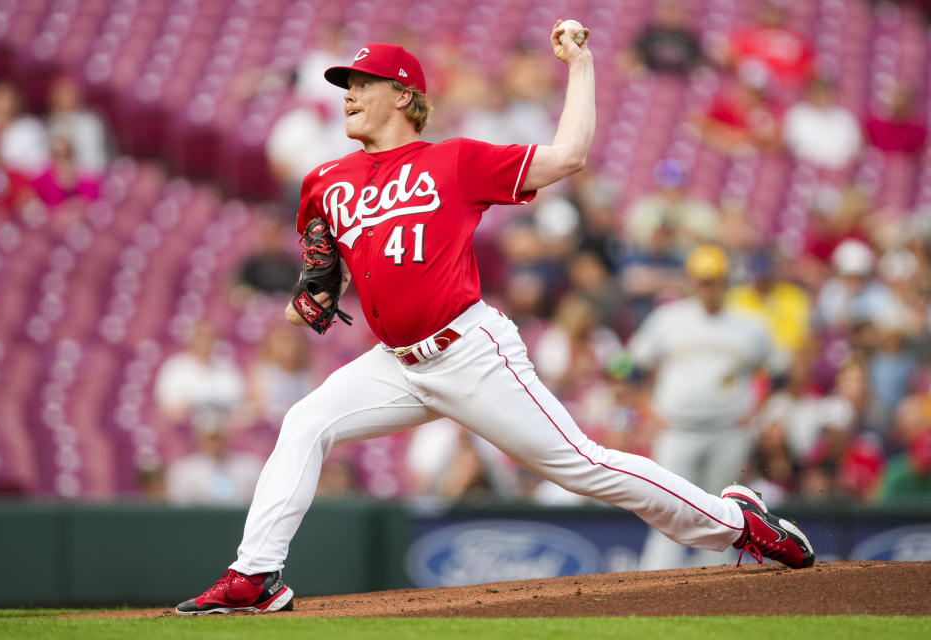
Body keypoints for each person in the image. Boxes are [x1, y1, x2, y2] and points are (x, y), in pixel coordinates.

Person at [176, 23, 814, 617]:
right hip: (394, 364)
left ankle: (738, 524)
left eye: (362, 84)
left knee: (583, 465)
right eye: (347, 85)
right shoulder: (326, 181)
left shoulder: (453, 160)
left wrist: (582, 65)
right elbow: (322, 282)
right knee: (305, 421)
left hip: (469, 351)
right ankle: (256, 576)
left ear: (404, 95)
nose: (349, 94)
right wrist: (310, 295)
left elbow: (568, 156)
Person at [628, 245, 788, 570]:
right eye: (702, 280)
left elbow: (782, 374)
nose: (708, 288)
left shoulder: (750, 324)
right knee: (668, 510)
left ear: (726, 281)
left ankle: (720, 589)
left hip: (728, 431)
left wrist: (757, 411)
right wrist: (646, 407)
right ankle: (653, 585)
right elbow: (629, 366)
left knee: (723, 512)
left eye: (714, 280)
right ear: (691, 282)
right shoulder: (668, 319)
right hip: (677, 430)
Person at [153, 322, 246, 424]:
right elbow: (169, 408)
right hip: (185, 431)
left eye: (211, 337)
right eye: (201, 336)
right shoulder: (175, 368)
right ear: (191, 340)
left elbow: (240, 407)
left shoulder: (227, 369)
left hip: (224, 430)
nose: (206, 342)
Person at [782, 78, 862, 171]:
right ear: (809, 93)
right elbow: (794, 148)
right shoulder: (796, 115)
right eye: (818, 92)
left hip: (840, 172)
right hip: (805, 171)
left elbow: (854, 148)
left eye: (825, 92)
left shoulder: (844, 117)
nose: (822, 96)